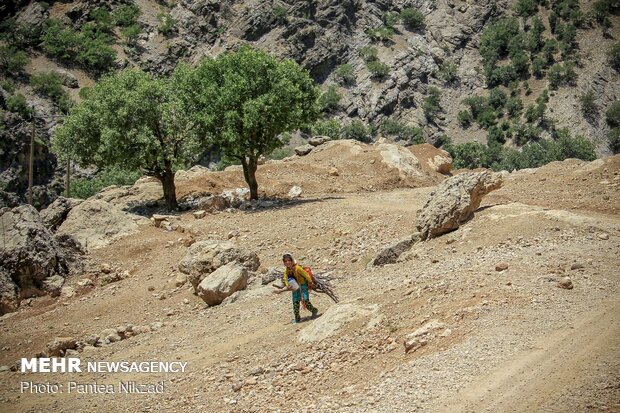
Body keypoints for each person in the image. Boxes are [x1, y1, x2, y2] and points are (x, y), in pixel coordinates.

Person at [282, 253, 319, 323]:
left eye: (289, 260)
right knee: (295, 303)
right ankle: (297, 318)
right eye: (285, 261)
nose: (287, 262)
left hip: (303, 287)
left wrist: (310, 282)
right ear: (284, 263)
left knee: (305, 301)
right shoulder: (287, 271)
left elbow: (306, 275)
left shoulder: (297, 268)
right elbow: (285, 279)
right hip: (295, 288)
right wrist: (288, 285)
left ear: (291, 260)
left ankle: (314, 310)